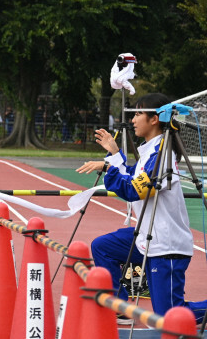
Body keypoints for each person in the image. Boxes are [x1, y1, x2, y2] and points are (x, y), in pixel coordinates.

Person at [76, 93, 207, 324]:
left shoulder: (162, 156)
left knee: (167, 317)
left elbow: (134, 189)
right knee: (103, 247)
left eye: (138, 113)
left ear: (154, 119)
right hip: (147, 238)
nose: (133, 119)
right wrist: (114, 154)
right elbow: (129, 175)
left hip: (166, 245)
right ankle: (121, 307)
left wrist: (109, 167)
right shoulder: (149, 151)